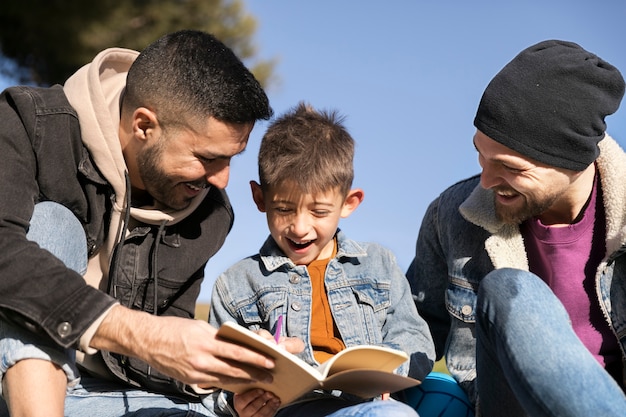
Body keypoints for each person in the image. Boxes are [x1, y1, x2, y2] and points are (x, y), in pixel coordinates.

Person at [0, 29, 305, 417]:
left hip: (98, 397)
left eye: (232, 158)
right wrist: (141, 333)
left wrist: (223, 362)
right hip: (8, 379)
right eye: (208, 157)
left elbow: (158, 348)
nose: (223, 180)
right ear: (144, 125)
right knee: (54, 224)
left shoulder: (210, 213)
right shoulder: (29, 125)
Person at [406, 39, 626, 416]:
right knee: (508, 288)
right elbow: (413, 331)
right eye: (481, 154)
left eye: (511, 167)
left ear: (572, 160)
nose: (487, 180)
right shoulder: (451, 215)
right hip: (504, 405)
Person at [207, 103, 435, 416]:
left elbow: (415, 338)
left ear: (349, 203)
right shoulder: (236, 285)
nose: (300, 228)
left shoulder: (378, 264)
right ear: (260, 198)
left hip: (368, 407)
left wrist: (390, 369)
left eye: (319, 212)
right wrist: (235, 403)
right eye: (284, 209)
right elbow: (214, 384)